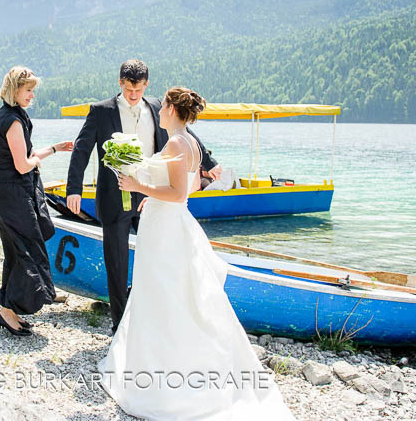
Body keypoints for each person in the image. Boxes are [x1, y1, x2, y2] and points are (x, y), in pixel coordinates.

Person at [98, 87, 296, 420]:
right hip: (170, 222)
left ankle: (162, 378)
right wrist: (152, 196)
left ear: (173, 109)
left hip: (165, 229)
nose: (159, 109)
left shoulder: (176, 143)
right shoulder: (190, 143)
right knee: (173, 293)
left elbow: (176, 193)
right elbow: (189, 187)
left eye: (163, 105)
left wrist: (138, 187)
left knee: (161, 294)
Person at [65, 59, 219, 333]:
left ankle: (148, 314)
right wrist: (74, 188)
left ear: (146, 84)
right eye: (128, 89)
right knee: (117, 261)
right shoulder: (100, 111)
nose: (133, 95)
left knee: (156, 256)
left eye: (138, 89)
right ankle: (120, 323)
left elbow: (186, 131)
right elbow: (81, 149)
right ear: (120, 82)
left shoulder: (159, 107)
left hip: (154, 196)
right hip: (114, 195)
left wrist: (208, 161)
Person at [0, 66, 73, 336]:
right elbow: (24, 164)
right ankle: (8, 309)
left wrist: (54, 149)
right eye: (28, 90)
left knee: (17, 250)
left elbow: (27, 156)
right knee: (26, 249)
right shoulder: (12, 120)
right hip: (11, 193)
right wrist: (38, 160)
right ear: (15, 90)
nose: (32, 95)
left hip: (11, 192)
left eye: (33, 90)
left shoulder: (15, 116)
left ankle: (8, 309)